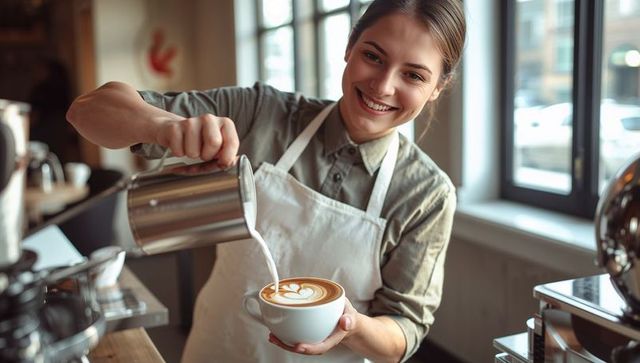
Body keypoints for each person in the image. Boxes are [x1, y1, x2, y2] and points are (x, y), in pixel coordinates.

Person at [66, 0, 466, 361]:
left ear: (437, 88)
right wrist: (162, 126)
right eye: (373, 56)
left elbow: (405, 329)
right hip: (216, 349)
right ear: (349, 48)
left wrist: (351, 326)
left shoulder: (426, 195)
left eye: (413, 75)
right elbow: (86, 111)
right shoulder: (263, 113)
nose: (383, 86)